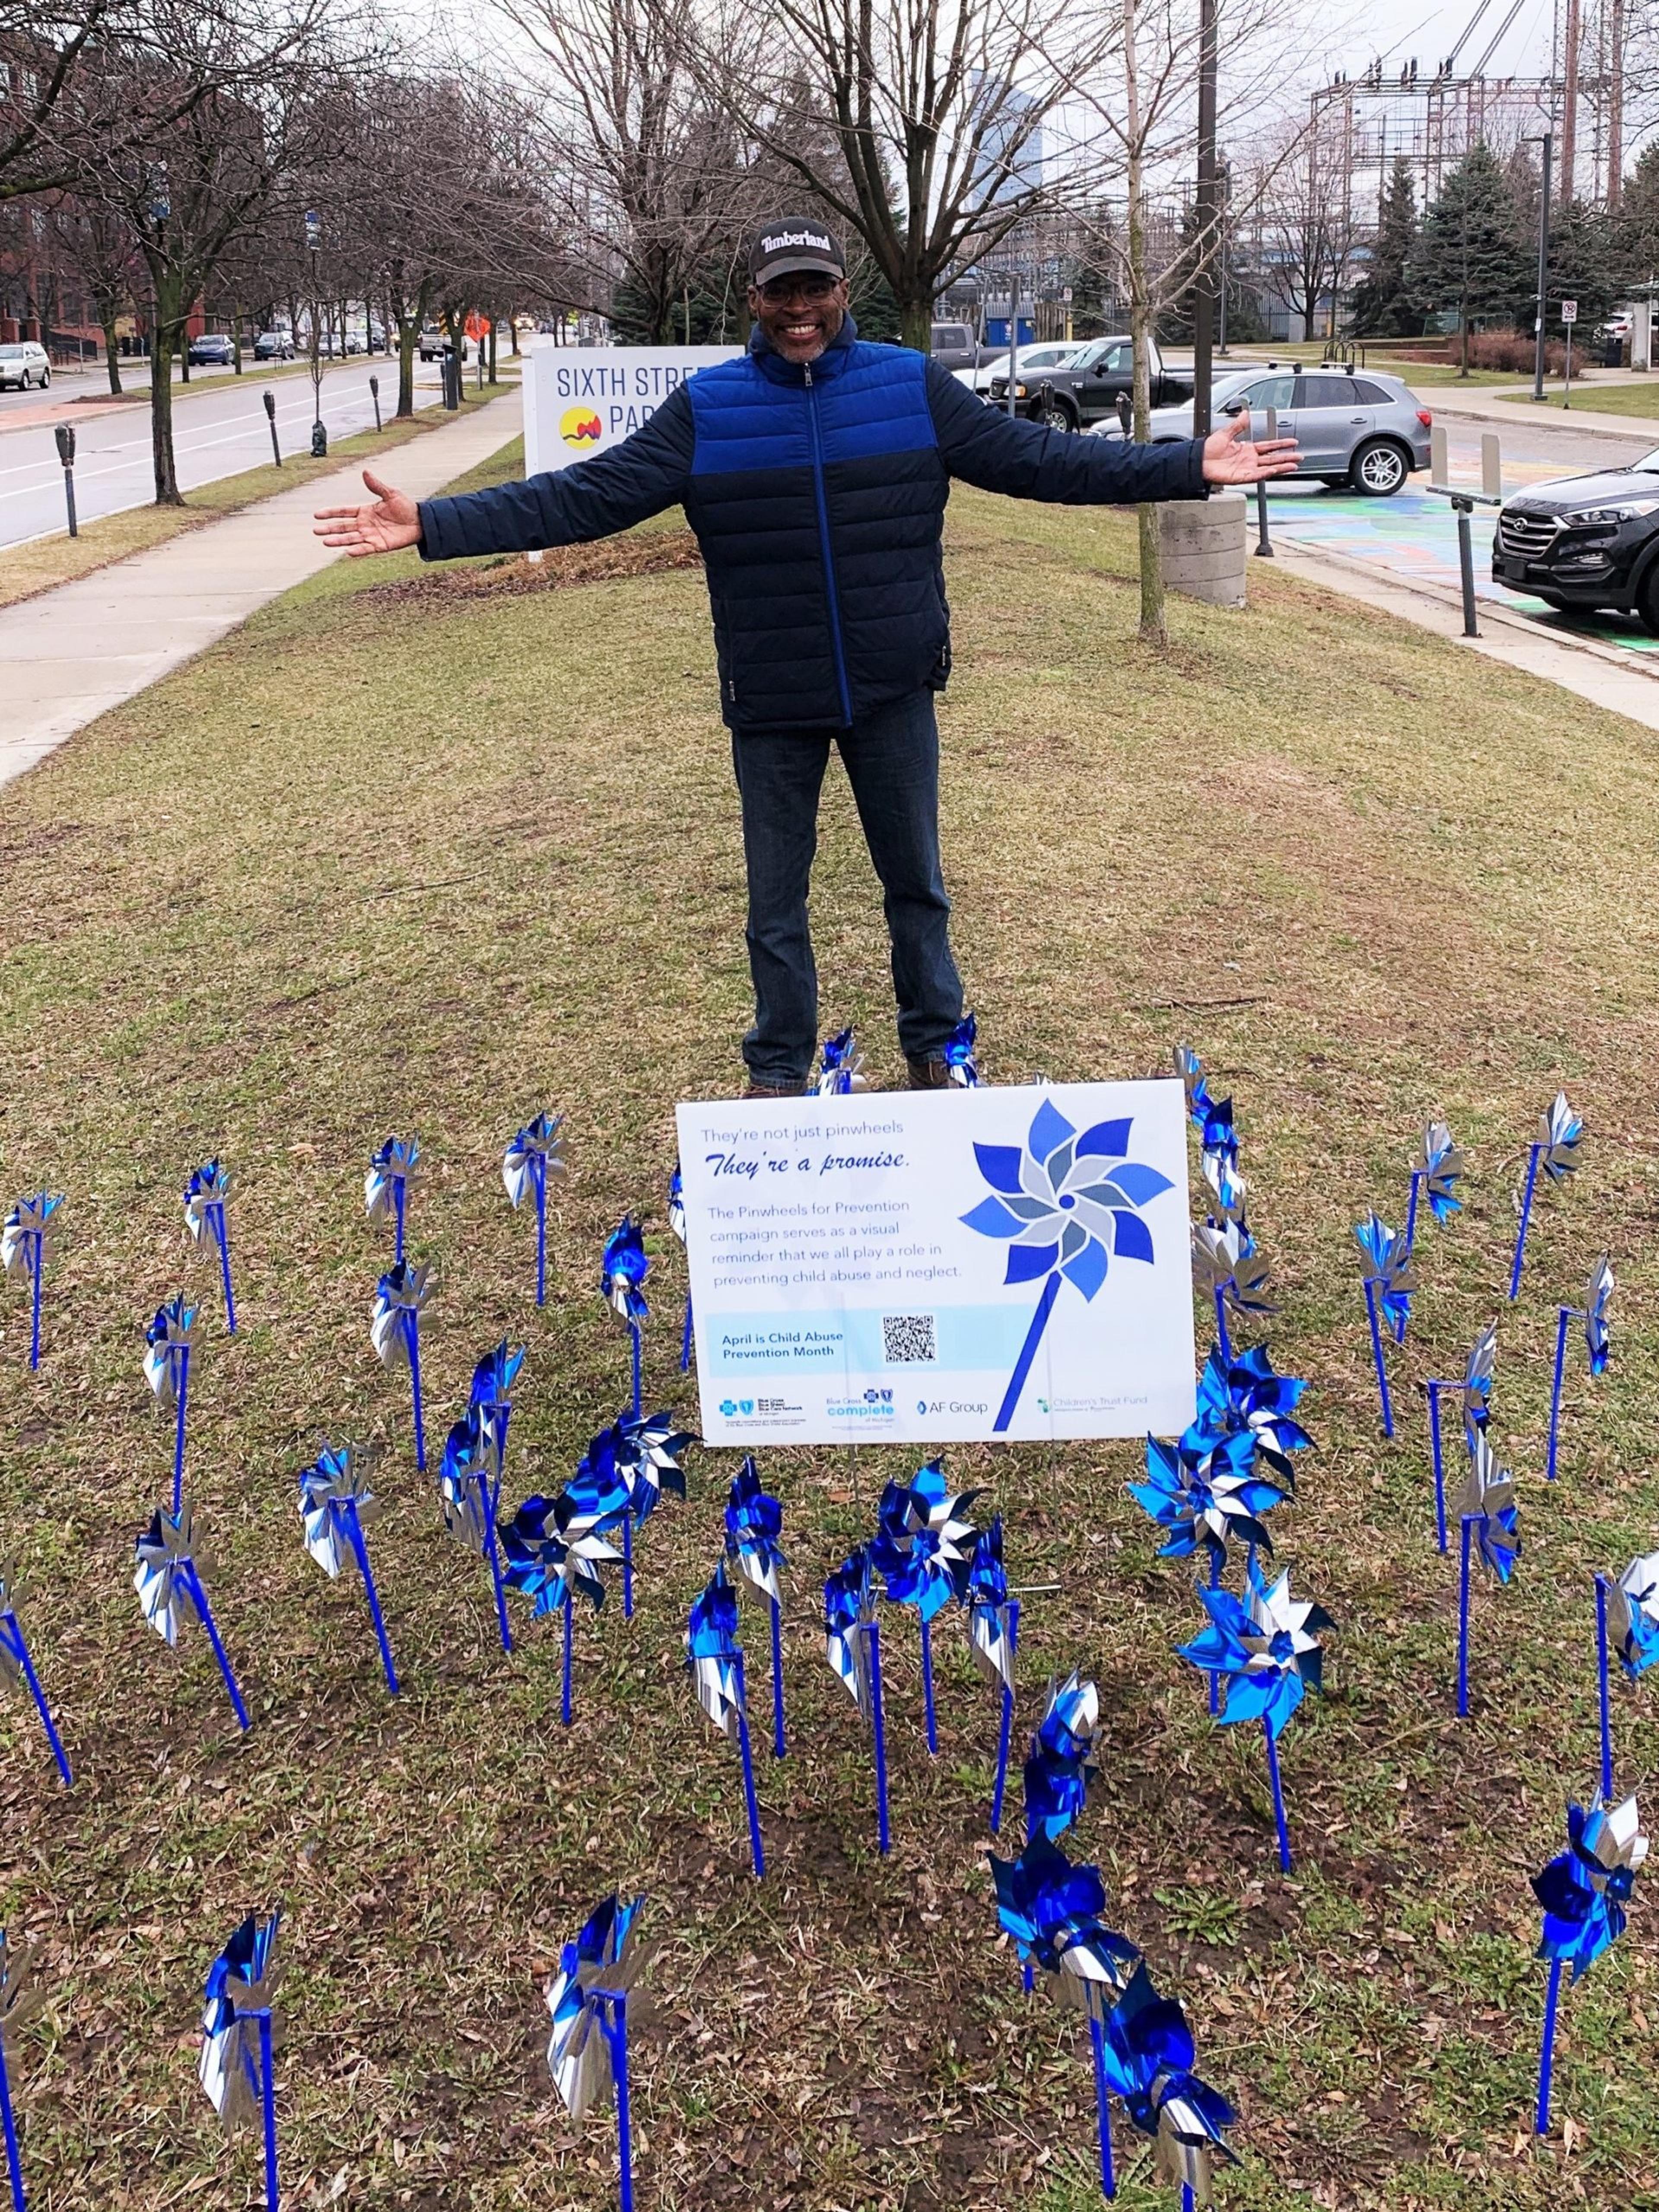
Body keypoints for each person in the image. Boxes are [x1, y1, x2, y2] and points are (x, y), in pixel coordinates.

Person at [314, 217, 1298, 1097]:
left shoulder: (910, 387)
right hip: (773, 696)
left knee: (916, 883)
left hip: (892, 686)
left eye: (815, 289)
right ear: (755, 300)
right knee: (775, 901)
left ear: (842, 294)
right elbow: (584, 496)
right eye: (781, 292)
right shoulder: (711, 409)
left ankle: (937, 1049)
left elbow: (1039, 460)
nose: (800, 310)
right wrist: (435, 524)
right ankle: (780, 1067)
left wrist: (1182, 464)